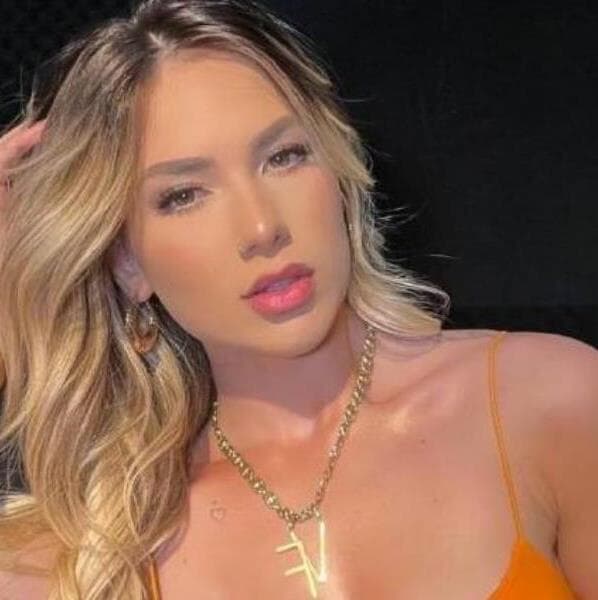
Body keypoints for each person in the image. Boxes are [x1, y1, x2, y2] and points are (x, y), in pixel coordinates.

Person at [0, 1, 596, 598]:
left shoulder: (544, 401)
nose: (262, 227)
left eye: (283, 157)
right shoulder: (91, 553)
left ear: (337, 169)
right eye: (184, 195)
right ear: (126, 262)